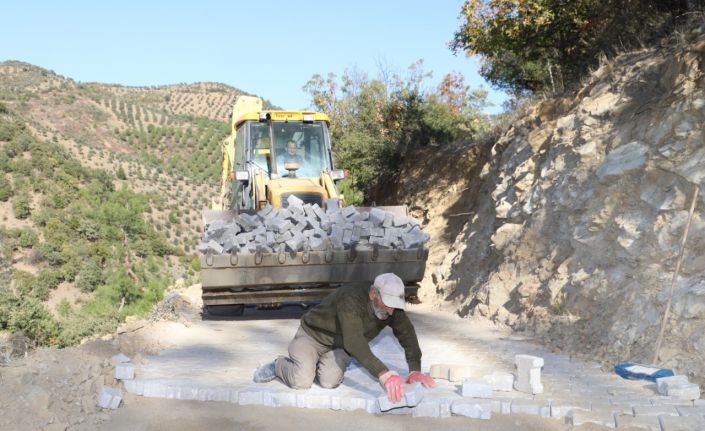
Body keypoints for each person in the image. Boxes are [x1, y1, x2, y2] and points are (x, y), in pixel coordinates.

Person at [252, 273, 436, 402]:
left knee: (329, 382)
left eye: (395, 306)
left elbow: (407, 335)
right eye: (387, 304)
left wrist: (414, 370)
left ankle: (312, 364)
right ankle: (278, 365)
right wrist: (384, 374)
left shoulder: (392, 310)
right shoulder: (351, 298)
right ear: (374, 294)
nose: (390, 310)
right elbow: (354, 341)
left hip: (339, 347)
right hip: (313, 335)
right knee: (301, 381)